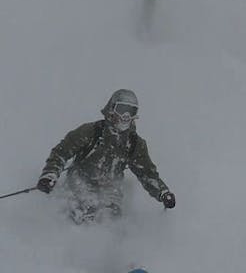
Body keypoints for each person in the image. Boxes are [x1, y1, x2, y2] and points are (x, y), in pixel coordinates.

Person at [37, 89, 175, 224]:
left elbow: (147, 174)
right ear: (111, 109)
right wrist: (50, 174)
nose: (125, 116)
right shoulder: (91, 131)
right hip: (80, 180)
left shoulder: (134, 143)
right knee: (86, 210)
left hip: (110, 186)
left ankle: (111, 243)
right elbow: (61, 152)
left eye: (131, 111)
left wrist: (163, 193)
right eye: (121, 109)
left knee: (111, 217)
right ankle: (70, 237)